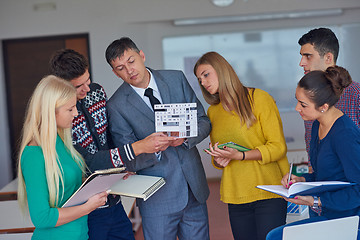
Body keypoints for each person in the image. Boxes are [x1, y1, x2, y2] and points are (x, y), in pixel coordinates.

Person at [49, 49, 172, 240]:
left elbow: (110, 134)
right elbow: (88, 161)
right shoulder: (60, 116)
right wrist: (137, 148)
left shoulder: (96, 92)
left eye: (87, 80)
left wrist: (123, 166)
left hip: (113, 196)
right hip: (85, 206)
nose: (87, 89)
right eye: (78, 86)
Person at [105, 37, 211, 240]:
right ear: (115, 73)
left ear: (142, 56)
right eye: (120, 68)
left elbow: (203, 121)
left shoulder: (176, 79)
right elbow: (127, 156)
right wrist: (151, 148)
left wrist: (186, 138)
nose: (129, 70)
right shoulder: (116, 106)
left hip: (193, 189)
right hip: (156, 197)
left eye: (131, 61)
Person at [194, 51, 289, 240]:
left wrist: (241, 156)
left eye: (206, 74)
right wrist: (220, 160)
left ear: (222, 70)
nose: (203, 82)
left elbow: (278, 147)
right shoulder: (213, 112)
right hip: (235, 194)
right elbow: (219, 157)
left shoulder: (260, 98)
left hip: (269, 191)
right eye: (199, 79)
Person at [266, 66, 360, 240]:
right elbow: (326, 176)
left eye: (303, 104)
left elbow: (358, 191)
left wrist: (315, 201)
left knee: (276, 237)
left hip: (349, 219)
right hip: (328, 213)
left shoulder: (345, 134)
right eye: (297, 101)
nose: (296, 108)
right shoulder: (318, 124)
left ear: (323, 106)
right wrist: (301, 180)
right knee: (275, 236)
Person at [17, 75, 108, 240]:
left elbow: (68, 187)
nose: (76, 113)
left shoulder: (61, 142)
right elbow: (42, 218)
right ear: (51, 111)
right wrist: (88, 207)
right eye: (70, 108)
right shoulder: (33, 155)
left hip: (80, 234)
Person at [298, 27, 360, 217]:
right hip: (321, 196)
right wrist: (303, 179)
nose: (301, 63)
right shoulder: (311, 108)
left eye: (307, 56)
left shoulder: (356, 95)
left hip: (348, 205)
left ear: (328, 57)